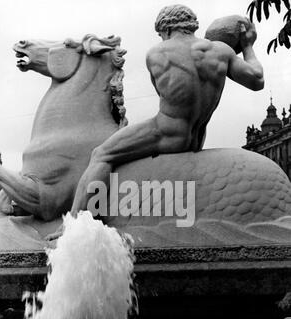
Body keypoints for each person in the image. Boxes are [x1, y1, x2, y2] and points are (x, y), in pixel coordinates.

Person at [46, 4, 264, 240]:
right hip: (195, 138)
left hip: (166, 132)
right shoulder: (221, 51)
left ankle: (73, 224)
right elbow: (256, 80)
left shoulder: (157, 54)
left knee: (101, 154)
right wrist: (247, 45)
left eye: (161, 34)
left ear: (166, 29)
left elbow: (164, 95)